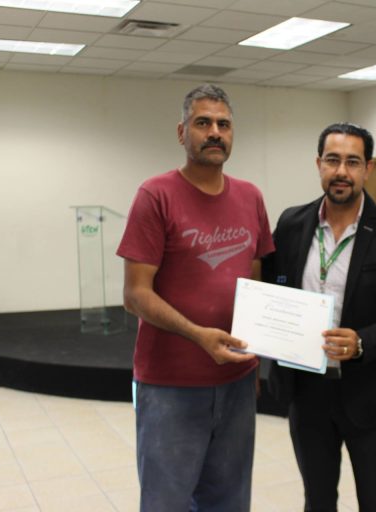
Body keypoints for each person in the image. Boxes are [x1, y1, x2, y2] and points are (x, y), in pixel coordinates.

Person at [116, 84, 274, 512]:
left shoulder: (251, 197)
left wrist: (258, 353)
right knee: (166, 501)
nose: (215, 132)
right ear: (182, 132)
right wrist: (198, 334)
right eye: (203, 123)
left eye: (224, 124)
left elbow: (255, 278)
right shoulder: (156, 195)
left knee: (229, 500)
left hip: (237, 380)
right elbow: (135, 294)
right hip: (170, 384)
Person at [263, 122, 376, 511]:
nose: (341, 171)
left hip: (370, 393)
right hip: (307, 391)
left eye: (352, 161)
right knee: (317, 500)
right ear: (319, 164)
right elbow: (274, 288)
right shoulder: (291, 224)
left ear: (368, 168)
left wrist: (361, 342)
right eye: (332, 160)